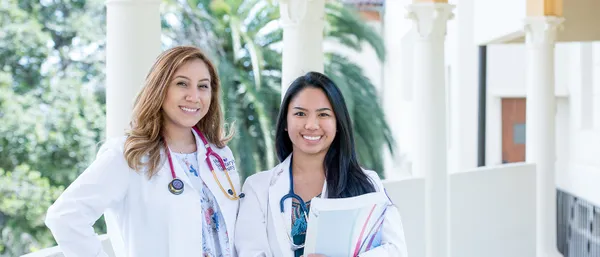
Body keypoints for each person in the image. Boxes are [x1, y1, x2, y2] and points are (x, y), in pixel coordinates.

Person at [45, 46, 241, 257]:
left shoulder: (219, 154)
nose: (194, 96)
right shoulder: (127, 155)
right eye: (182, 83)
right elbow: (65, 217)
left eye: (203, 86)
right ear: (160, 87)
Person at [234, 71, 407, 257]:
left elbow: (395, 250)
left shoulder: (368, 183)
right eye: (300, 114)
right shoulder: (258, 188)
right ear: (285, 121)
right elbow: (250, 252)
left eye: (323, 115)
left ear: (338, 123)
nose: (311, 125)